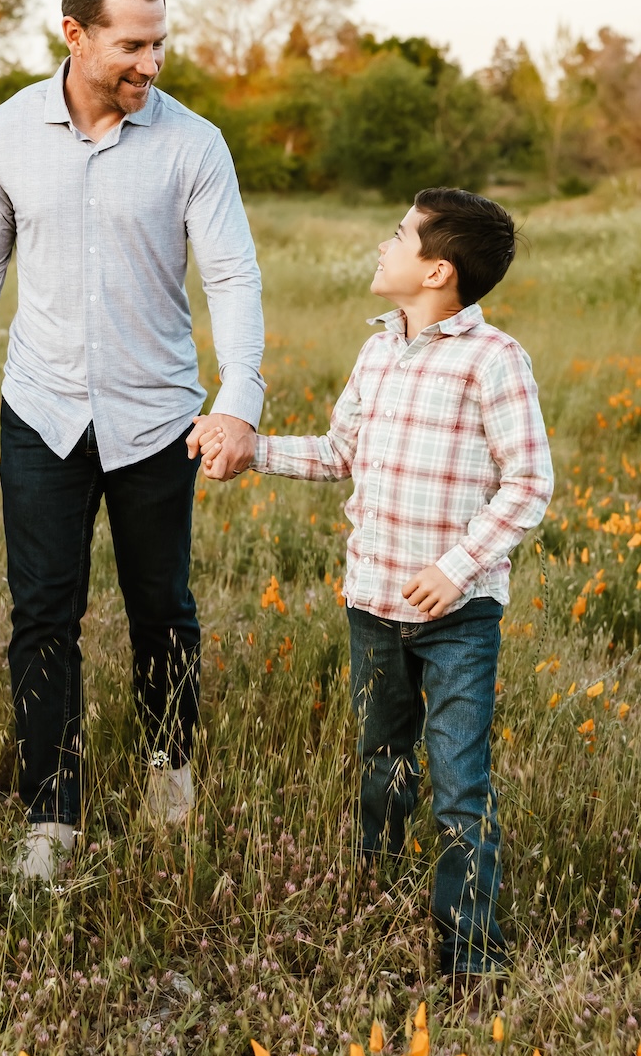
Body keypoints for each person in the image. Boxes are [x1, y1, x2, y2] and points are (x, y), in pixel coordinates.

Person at [0, 0, 266, 880]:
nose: (150, 65)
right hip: (41, 409)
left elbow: (232, 276)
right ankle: (51, 815)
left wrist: (237, 399)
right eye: (130, 45)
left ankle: (168, 764)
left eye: (159, 43)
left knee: (162, 607)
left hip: (157, 414)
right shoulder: (4, 133)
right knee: (43, 614)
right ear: (74, 34)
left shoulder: (194, 143)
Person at [222, 188, 553, 986]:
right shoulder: (378, 350)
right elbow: (342, 452)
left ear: (437, 269)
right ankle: (372, 893)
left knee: (458, 785)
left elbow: (530, 482)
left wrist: (456, 566)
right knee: (381, 761)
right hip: (371, 602)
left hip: (457, 615)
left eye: (399, 234)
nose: (384, 243)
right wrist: (252, 450)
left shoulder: (493, 359)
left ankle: (471, 956)